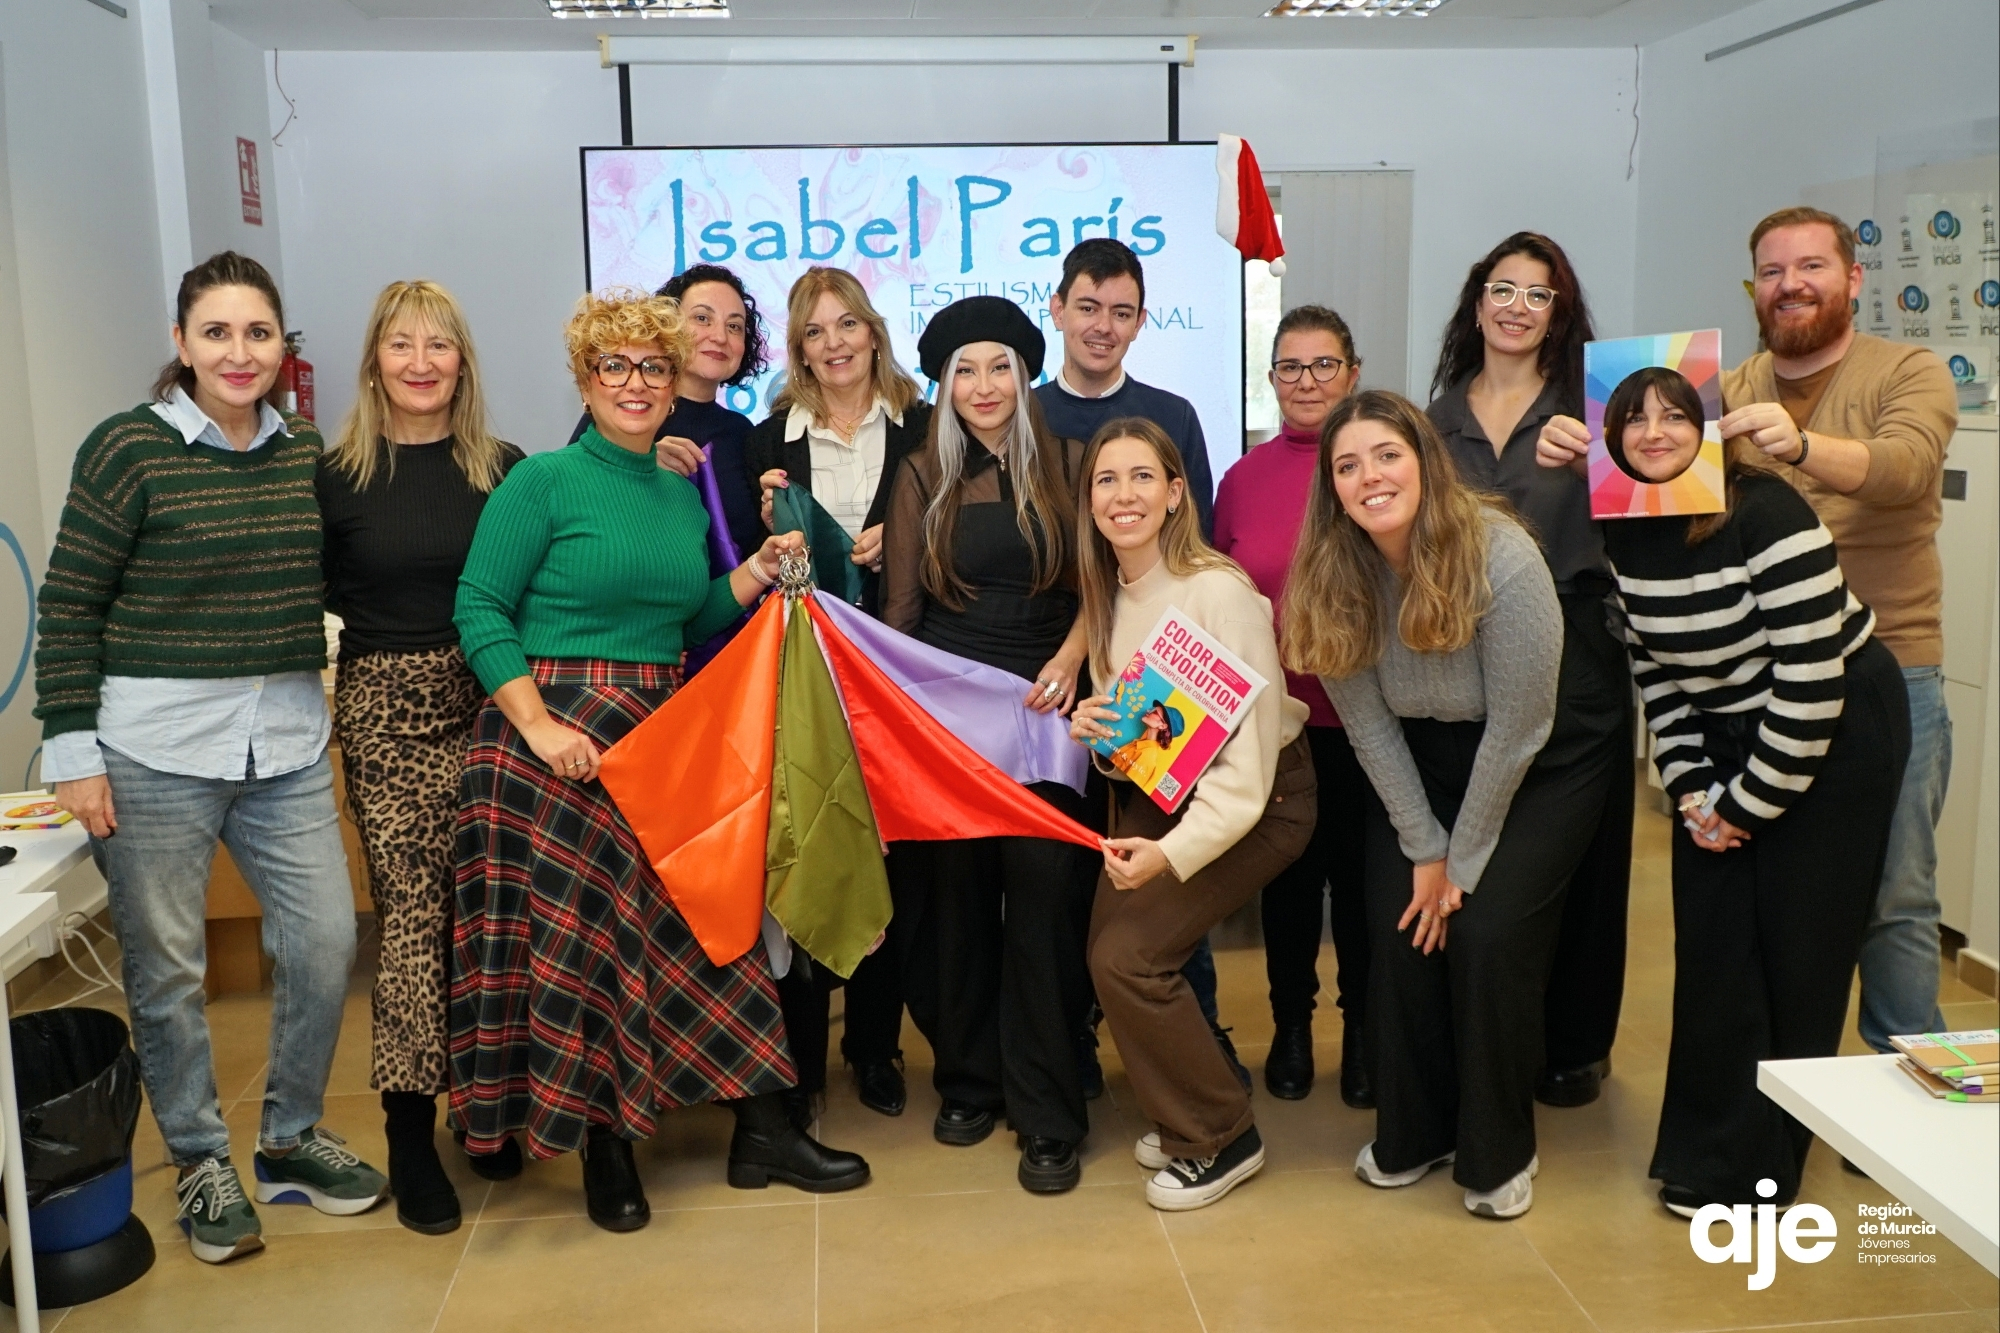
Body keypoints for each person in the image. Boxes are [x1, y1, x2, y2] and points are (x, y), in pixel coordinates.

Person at [449, 288, 868, 1233]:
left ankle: (762, 1128)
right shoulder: (542, 482)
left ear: (676, 383)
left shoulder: (679, 496)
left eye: (653, 367)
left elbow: (685, 619)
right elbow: (478, 606)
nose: (635, 383)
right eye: (615, 366)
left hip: (654, 734)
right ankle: (606, 1147)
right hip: (554, 747)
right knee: (592, 948)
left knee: (715, 923)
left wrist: (752, 574)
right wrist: (540, 727)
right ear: (585, 381)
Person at [36, 251, 388, 1265]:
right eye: (218, 333)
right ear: (181, 343)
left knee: (323, 940)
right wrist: (73, 750)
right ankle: (198, 1156)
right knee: (169, 968)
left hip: (283, 742)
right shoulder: (128, 449)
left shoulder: (303, 450)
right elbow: (71, 604)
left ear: (283, 345)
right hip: (152, 751)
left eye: (258, 333)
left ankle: (288, 1137)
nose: (240, 352)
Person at [1549, 367, 1908, 1213]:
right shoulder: (1622, 526)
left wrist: (1744, 805)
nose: (1655, 432)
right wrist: (1692, 793)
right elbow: (1658, 675)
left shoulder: (1765, 511)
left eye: (1676, 415)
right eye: (1634, 418)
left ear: (1710, 428)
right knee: (1714, 946)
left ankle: (1762, 1171)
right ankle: (1707, 1153)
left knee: (1799, 949)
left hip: (1837, 728)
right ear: (1611, 437)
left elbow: (1812, 681)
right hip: (1724, 730)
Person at [1284, 390, 1595, 1221]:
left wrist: (1460, 864)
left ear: (1424, 459)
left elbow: (1521, 728)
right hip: (1418, 766)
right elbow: (1369, 729)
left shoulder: (1501, 553)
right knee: (1399, 927)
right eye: (1348, 465)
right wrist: (1424, 847)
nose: (1370, 477)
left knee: (1484, 934)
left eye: (1387, 455)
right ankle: (1415, 1132)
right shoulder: (1333, 572)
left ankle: (1499, 1149)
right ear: (1332, 487)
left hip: (1532, 766)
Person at [317, 280, 525, 1235]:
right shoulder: (335, 476)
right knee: (411, 916)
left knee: (490, 909)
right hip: (386, 711)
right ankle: (409, 1131)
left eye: (439, 345)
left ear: (462, 362)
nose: (420, 362)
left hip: (492, 699)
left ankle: (484, 1106)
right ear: (374, 362)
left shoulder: (506, 469)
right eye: (401, 344)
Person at [1070, 417, 1315, 1212]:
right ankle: (1185, 1109)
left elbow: (1245, 772)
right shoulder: (1109, 595)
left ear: (1177, 493)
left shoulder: (1219, 592)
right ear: (1090, 501)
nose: (1125, 495)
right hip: (1168, 795)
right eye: (1107, 479)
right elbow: (1148, 744)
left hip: (1263, 800)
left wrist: (1170, 855)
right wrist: (1103, 740)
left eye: (1143, 476)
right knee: (1107, 950)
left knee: (1130, 959)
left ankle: (1221, 1134)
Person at [881, 295, 1095, 1193]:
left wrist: (1073, 656)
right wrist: (898, 732)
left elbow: (1105, 587)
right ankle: (969, 1080)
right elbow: (900, 614)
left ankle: (1049, 1111)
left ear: (1025, 374)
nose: (983, 385)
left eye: (999, 366)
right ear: (942, 384)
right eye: (964, 370)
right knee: (956, 905)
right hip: (950, 720)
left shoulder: (1075, 463)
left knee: (1045, 906)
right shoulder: (920, 473)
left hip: (1048, 714)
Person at [1426, 232, 1634, 1109]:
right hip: (1467, 648)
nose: (1517, 307)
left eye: (1537, 294)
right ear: (1477, 303)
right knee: (1490, 846)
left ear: (1559, 312)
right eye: (1502, 290)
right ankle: (1482, 1032)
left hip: (1580, 645)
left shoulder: (1600, 404)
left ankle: (1575, 1043)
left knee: (1585, 858)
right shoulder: (1438, 417)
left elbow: (1665, 500)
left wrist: (1603, 458)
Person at [1033, 238, 1234, 1079]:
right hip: (1045, 688)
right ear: (1057, 310)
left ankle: (1201, 1045)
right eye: (1087, 307)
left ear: (1143, 321)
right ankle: (1073, 1044)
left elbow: (1192, 555)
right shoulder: (1024, 414)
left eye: (1121, 312)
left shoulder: (1171, 415)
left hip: (1153, 686)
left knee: (1160, 873)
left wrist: (1094, 652)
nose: (1102, 326)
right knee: (1065, 879)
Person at [744, 266, 933, 1122]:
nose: (834, 343)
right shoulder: (764, 444)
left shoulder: (924, 427)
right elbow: (736, 553)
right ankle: (802, 1055)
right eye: (815, 331)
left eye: (847, 324)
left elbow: (955, 522)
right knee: (813, 841)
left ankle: (876, 1045)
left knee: (890, 852)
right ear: (798, 349)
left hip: (899, 672)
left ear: (874, 331)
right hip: (804, 680)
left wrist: (909, 534)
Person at [1211, 304, 1373, 1108]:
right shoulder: (1242, 480)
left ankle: (1366, 1033)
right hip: (1278, 727)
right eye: (1290, 367)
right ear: (1271, 377)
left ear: (1353, 373)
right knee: (1290, 889)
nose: (1306, 381)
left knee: (1365, 891)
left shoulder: (1377, 466)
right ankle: (1292, 1029)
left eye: (1323, 365)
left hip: (1371, 723)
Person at [566, 263, 769, 562]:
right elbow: (570, 502)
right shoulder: (627, 411)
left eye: (734, 326)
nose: (720, 336)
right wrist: (636, 463)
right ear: (668, 328)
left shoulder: (743, 432)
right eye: (702, 318)